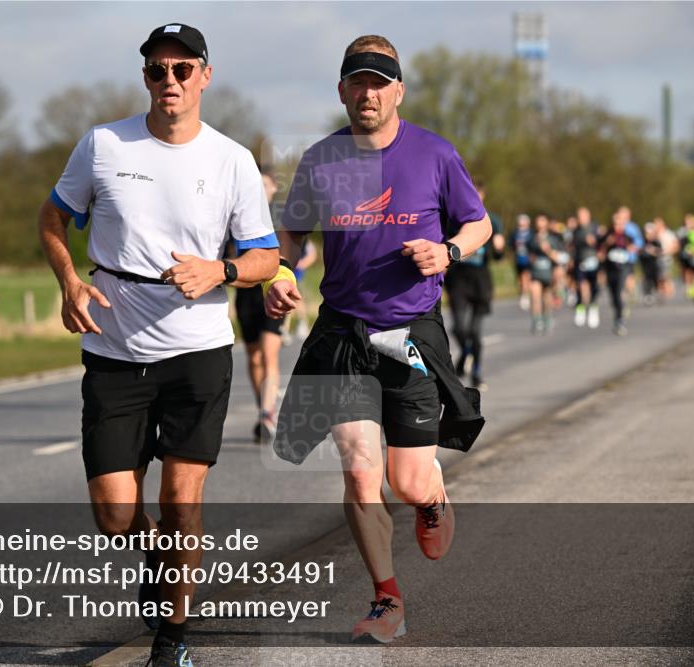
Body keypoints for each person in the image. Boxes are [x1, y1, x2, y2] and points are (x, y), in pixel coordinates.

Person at [36, 23, 278, 667]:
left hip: (197, 350)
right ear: (144, 76)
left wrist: (219, 271)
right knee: (115, 516)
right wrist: (68, 282)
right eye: (156, 69)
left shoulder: (232, 159)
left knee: (180, 499)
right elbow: (53, 216)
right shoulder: (103, 144)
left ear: (205, 75)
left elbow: (264, 255)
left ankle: (171, 640)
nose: (168, 80)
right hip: (114, 351)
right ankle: (159, 554)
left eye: (182, 68)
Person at [267, 35, 489, 643]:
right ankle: (387, 599)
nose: (366, 93)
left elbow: (479, 223)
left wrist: (446, 251)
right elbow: (290, 234)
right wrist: (283, 274)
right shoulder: (320, 159)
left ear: (398, 91)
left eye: (378, 82)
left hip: (411, 329)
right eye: (355, 82)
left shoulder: (435, 154)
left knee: (406, 480)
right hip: (342, 329)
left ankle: (431, 493)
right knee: (361, 471)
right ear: (341, 90)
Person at [234, 170, 284, 443]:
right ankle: (262, 411)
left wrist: (288, 274)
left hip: (272, 290)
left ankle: (268, 413)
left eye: (265, 183)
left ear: (274, 187)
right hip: (244, 293)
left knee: (268, 354)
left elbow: (304, 249)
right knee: (253, 356)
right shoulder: (239, 212)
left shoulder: (281, 215)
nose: (261, 188)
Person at [444, 180, 505, 390]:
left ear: (483, 196)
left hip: (480, 279)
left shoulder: (492, 220)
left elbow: (498, 255)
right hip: (458, 278)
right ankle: (467, 353)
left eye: (478, 193)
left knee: (475, 331)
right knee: (459, 328)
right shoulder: (452, 216)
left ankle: (477, 373)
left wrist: (499, 249)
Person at [599, 211, 639, 335]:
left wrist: (631, 248)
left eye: (620, 224)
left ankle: (619, 321)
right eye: (616, 224)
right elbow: (600, 252)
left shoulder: (627, 236)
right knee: (613, 296)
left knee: (619, 292)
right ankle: (618, 311)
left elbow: (635, 247)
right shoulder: (607, 236)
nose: (618, 226)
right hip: (610, 268)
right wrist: (606, 244)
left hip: (623, 268)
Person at [527, 214, 559, 335]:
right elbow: (528, 254)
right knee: (535, 295)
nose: (540, 223)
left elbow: (558, 258)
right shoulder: (532, 239)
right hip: (535, 272)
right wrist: (531, 259)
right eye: (538, 221)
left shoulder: (553, 239)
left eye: (542, 220)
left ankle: (547, 318)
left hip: (548, 272)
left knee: (547, 298)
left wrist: (548, 250)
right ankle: (536, 320)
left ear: (546, 223)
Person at [572, 206, 601, 328]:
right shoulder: (576, 230)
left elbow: (601, 243)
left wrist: (596, 243)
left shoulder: (595, 228)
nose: (581, 219)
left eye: (583, 216)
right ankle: (581, 308)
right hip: (580, 261)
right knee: (581, 286)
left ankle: (593, 309)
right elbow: (572, 245)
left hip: (594, 261)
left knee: (594, 286)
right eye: (579, 217)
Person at [512, 214, 533, 310]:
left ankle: (526, 296)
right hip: (519, 259)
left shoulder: (531, 234)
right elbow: (511, 244)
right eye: (520, 225)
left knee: (526, 277)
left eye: (523, 224)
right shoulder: (515, 234)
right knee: (520, 279)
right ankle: (523, 293)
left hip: (528, 260)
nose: (521, 227)